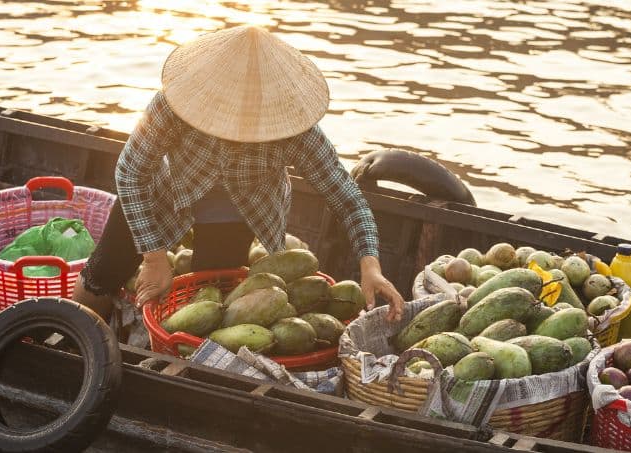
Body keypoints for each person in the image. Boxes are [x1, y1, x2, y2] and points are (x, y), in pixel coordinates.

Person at [72, 25, 404, 329]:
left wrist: (370, 265)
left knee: (210, 304)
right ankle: (73, 338)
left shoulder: (295, 129)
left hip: (241, 209)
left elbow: (348, 199)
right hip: (165, 191)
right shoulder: (174, 103)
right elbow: (130, 173)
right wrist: (155, 258)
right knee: (100, 275)